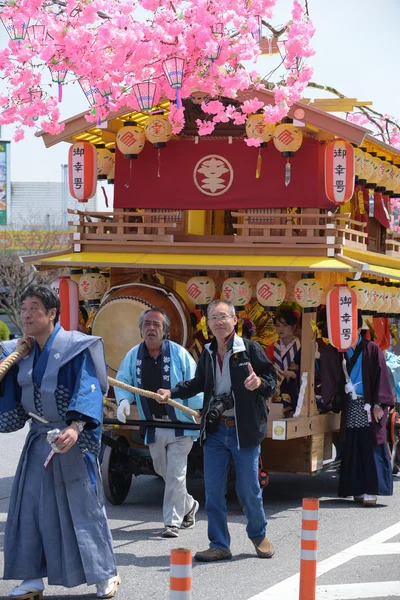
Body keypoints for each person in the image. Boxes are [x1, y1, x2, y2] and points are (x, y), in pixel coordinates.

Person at [0, 284, 119, 599]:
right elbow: (11, 398)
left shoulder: (76, 348)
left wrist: (77, 426)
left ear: (52, 313)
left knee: (83, 508)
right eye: (23, 308)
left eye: (33, 308)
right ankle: (31, 578)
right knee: (29, 507)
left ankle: (106, 573)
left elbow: (88, 387)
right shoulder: (18, 351)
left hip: (72, 439)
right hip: (39, 438)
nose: (26, 315)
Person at [157, 299, 277, 562]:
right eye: (214, 317)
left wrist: (258, 382)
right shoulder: (209, 351)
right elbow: (198, 383)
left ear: (235, 320)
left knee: (248, 490)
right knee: (213, 491)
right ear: (208, 322)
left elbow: (272, 380)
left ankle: (258, 534)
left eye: (224, 317)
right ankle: (219, 544)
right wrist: (171, 392)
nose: (219, 322)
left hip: (242, 431)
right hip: (215, 431)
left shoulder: (249, 349)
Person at [115, 307, 203, 538]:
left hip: (180, 424)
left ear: (165, 331)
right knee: (162, 469)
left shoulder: (179, 354)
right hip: (153, 424)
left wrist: (196, 410)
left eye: (157, 324)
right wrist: (124, 401)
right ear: (141, 329)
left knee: (175, 473)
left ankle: (171, 522)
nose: (151, 328)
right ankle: (189, 506)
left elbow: (194, 383)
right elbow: (123, 381)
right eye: (147, 324)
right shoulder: (133, 355)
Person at [320, 311, 394, 506]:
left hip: (369, 404)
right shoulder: (340, 350)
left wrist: (379, 404)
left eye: (350, 329)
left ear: (359, 329)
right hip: (351, 403)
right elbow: (328, 363)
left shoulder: (372, 349)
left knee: (370, 445)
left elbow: (382, 378)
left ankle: (372, 490)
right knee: (352, 444)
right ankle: (357, 489)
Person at [265, 305, 301, 416]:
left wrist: (295, 374)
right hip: (276, 392)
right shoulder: (271, 348)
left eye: (285, 325)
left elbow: (310, 371)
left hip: (296, 391)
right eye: (278, 325)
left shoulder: (301, 347)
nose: (281, 329)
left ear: (294, 326)